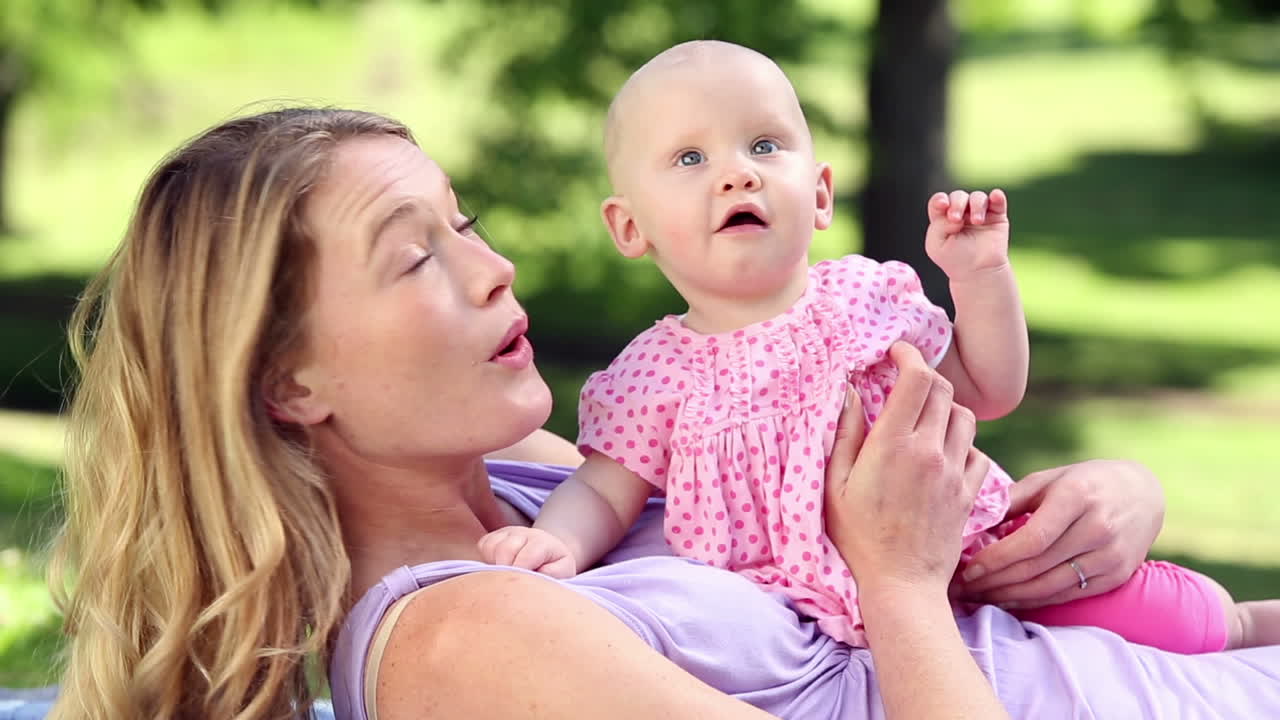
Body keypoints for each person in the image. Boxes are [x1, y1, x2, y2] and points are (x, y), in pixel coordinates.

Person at [45, 106, 1280, 720]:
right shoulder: (459, 645)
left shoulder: (529, 488)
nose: (494, 270)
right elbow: (879, 590)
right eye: (412, 257)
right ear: (287, 382)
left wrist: (1115, 500)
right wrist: (897, 582)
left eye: (463, 223)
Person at [476, 40, 1279, 651]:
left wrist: (980, 277)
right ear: (629, 227)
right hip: (789, 620)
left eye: (763, 147)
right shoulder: (653, 375)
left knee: (1163, 619)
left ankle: (1246, 626)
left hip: (972, 562)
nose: (737, 176)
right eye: (690, 158)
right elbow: (604, 490)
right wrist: (556, 540)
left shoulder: (864, 300)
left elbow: (988, 388)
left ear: (819, 194)